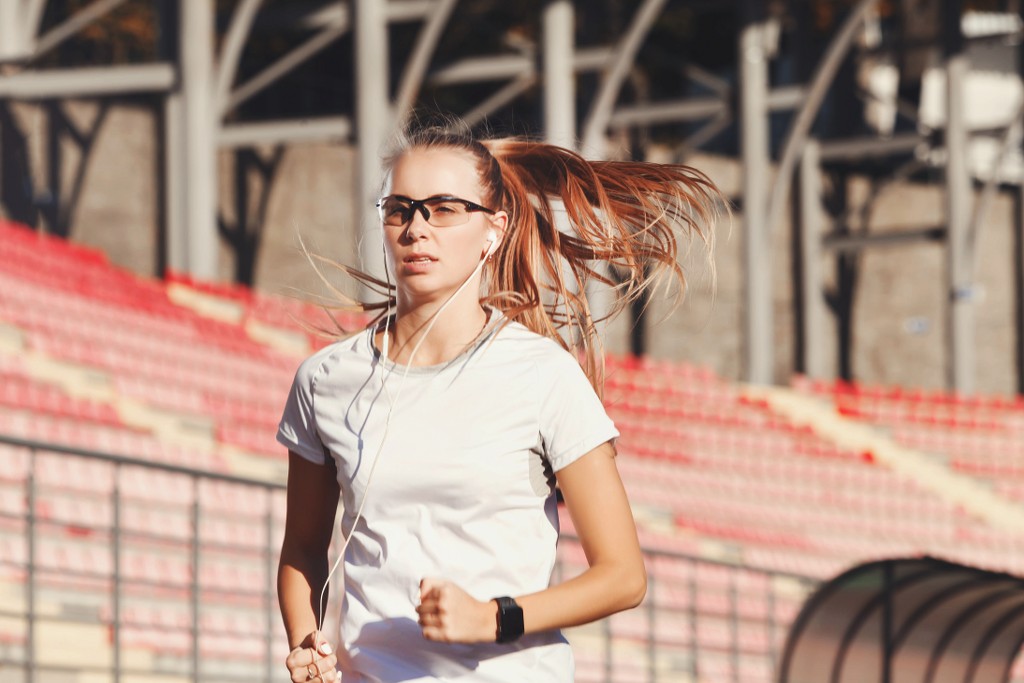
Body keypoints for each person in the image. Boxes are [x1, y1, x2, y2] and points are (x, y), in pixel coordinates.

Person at [276, 121, 720, 682]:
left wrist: (494, 617)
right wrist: (305, 640)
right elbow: (303, 551)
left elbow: (623, 576)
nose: (417, 228)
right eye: (400, 209)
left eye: (444, 209)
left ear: (494, 229)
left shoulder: (544, 376)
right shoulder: (326, 379)